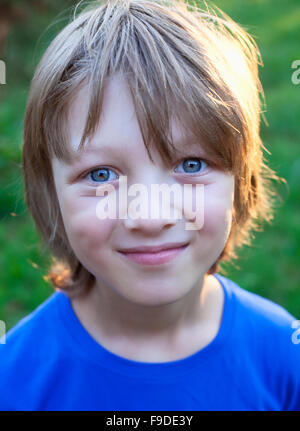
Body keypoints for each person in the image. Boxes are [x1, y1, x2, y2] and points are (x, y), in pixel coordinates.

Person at [0, 0, 299, 411]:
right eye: (101, 174)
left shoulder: (285, 356)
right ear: (51, 192)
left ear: (239, 182)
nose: (150, 216)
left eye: (190, 165)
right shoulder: (14, 378)